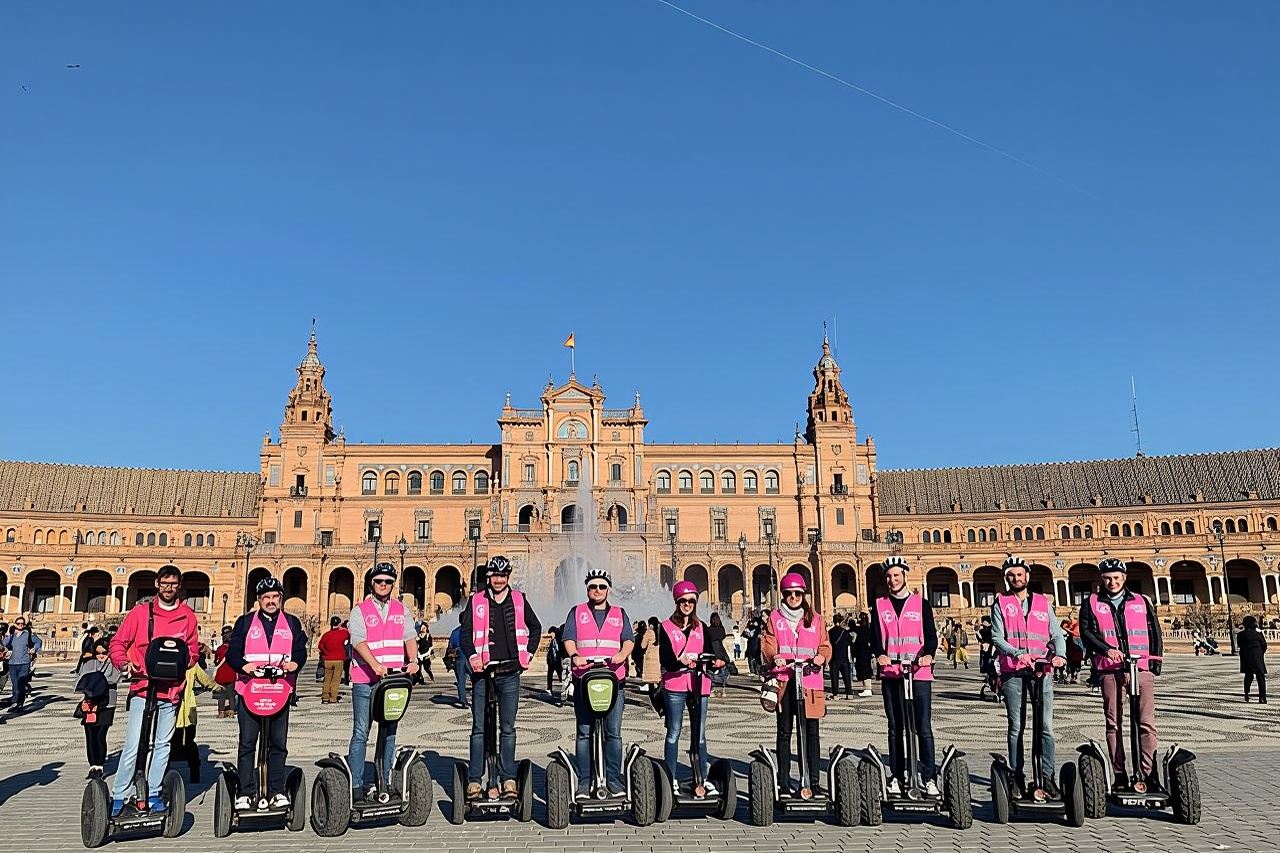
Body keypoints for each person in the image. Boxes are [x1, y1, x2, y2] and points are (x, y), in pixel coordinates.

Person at [107, 566, 199, 815]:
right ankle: (120, 793)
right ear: (157, 584)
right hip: (142, 685)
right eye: (165, 583)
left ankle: (154, 790)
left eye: (174, 584)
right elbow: (117, 643)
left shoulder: (188, 616)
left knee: (163, 744)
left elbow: (193, 650)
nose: (169, 588)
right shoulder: (140, 613)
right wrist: (124, 663)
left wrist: (184, 662)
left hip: (171, 690)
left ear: (179, 586)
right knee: (134, 742)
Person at [459, 555, 542, 800]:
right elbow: (465, 634)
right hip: (482, 674)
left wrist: (528, 652)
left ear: (508, 577)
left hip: (509, 672)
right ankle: (475, 779)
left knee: (508, 728)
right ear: (488, 577)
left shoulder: (519, 599)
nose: (498, 580)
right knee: (478, 728)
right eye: (495, 575)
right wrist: (473, 656)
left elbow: (535, 627)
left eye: (503, 575)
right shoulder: (476, 601)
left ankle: (507, 778)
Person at [1078, 558, 1164, 792]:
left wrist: (1155, 663)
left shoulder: (1141, 601)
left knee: (1146, 723)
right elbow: (1086, 632)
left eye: (1116, 578)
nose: (1112, 582)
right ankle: (1119, 773)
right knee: (1113, 723)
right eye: (1107, 578)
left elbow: (1154, 631)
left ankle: (1149, 772)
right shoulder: (1091, 603)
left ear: (1124, 578)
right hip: (1110, 669)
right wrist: (1106, 650)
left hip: (1141, 668)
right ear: (1101, 580)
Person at [226, 575, 308, 807]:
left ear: (281, 599)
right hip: (249, 690)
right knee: (247, 743)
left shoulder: (292, 623)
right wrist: (245, 666)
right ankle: (245, 791)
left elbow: (300, 649)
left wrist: (296, 664)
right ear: (259, 600)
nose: (271, 601)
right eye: (266, 597)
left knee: (278, 744)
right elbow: (233, 653)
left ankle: (276, 790)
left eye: (275, 597)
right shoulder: (244, 623)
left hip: (279, 691)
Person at [990, 556, 1067, 797]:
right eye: (1011, 575)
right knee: (1016, 726)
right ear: (1007, 578)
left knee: (1045, 726)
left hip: (1041, 671)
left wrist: (1061, 656)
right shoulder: (1000, 603)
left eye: (1019, 574)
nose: (1015, 578)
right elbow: (996, 637)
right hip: (1014, 671)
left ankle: (1047, 776)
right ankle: (1017, 775)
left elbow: (1057, 635)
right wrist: (1017, 653)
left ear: (1027, 577)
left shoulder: (1044, 603)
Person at [561, 567, 635, 798]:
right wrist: (575, 655)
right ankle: (584, 780)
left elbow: (629, 640)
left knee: (613, 732)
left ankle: (613, 779)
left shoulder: (620, 613)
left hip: (614, 679)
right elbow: (569, 639)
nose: (597, 590)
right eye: (593, 586)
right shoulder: (577, 611)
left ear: (608, 589)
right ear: (587, 589)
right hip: (585, 678)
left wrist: (622, 655)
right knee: (584, 731)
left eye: (602, 586)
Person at [347, 563, 419, 800]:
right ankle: (356, 785)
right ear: (371, 583)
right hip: (365, 679)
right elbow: (358, 641)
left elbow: (409, 636)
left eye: (388, 582)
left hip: (393, 680)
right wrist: (375, 664)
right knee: (361, 732)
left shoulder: (401, 610)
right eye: (379, 581)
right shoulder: (360, 610)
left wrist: (413, 660)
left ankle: (384, 781)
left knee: (389, 732)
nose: (383, 585)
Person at [870, 556, 939, 796]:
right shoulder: (879, 605)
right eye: (889, 576)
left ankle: (929, 777)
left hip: (919, 673)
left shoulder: (922, 604)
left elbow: (930, 635)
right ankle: (897, 776)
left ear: (905, 576)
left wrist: (929, 654)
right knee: (895, 726)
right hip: (891, 673)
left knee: (923, 727)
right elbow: (876, 636)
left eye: (896, 575)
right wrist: (880, 653)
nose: (892, 580)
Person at [760, 572, 831, 794]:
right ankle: (783, 781)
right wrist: (774, 656)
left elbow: (825, 645)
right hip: (785, 680)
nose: (793, 597)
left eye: (797, 593)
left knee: (811, 732)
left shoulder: (816, 619)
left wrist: (822, 656)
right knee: (784, 731)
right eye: (789, 593)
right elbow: (768, 643)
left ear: (803, 594)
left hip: (810, 682)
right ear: (783, 595)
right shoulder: (775, 618)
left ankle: (812, 781)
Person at [658, 581, 727, 794]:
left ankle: (702, 777)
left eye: (691, 601)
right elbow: (666, 659)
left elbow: (709, 651)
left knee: (701, 734)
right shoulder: (666, 626)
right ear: (677, 602)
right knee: (674, 732)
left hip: (700, 684)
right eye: (683, 601)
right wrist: (681, 662)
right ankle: (671, 777)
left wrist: (716, 661)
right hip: (675, 685)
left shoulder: (701, 627)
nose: (687, 604)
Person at [76, 637, 122, 779]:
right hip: (91, 704)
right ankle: (92, 765)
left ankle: (100, 765)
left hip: (107, 703)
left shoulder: (114, 664)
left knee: (100, 735)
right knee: (90, 735)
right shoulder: (89, 663)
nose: (101, 656)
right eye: (98, 653)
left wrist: (95, 680)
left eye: (104, 652)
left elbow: (113, 679)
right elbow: (80, 680)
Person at [172, 649, 216, 783]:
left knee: (166, 742)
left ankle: (161, 775)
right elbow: (206, 681)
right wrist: (216, 686)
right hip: (187, 710)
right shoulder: (192, 664)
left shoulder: (166, 658)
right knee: (190, 742)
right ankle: (194, 774)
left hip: (169, 708)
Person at [2, 615, 41, 711]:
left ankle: (20, 704)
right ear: (15, 624)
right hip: (12, 663)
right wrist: (8, 635)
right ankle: (15, 702)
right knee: (15, 684)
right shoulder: (11, 634)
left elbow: (38, 642)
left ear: (24, 625)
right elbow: (3, 644)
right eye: (18, 623)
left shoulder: (28, 634)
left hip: (24, 662)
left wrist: (34, 649)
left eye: (22, 624)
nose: (20, 625)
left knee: (21, 683)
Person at [318, 616, 350, 704]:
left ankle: (325, 697)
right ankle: (333, 698)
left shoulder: (326, 635)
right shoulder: (343, 633)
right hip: (339, 659)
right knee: (336, 679)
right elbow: (348, 635)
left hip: (328, 659)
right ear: (339, 624)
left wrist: (326, 652)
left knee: (327, 679)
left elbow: (320, 645)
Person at [1239, 615, 1268, 703]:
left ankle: (1246, 693)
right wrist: (1260, 653)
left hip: (1246, 658)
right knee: (1261, 678)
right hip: (1257, 658)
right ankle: (1262, 698)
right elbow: (1264, 645)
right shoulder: (1258, 634)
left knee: (1248, 676)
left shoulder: (1241, 635)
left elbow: (1239, 645)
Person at [828, 613, 854, 699]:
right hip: (844, 657)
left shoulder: (830, 632)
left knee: (834, 677)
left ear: (833, 621)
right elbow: (851, 642)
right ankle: (849, 693)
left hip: (834, 657)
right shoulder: (845, 632)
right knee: (846, 677)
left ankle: (835, 694)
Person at [706, 612, 731, 698]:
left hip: (712, 654)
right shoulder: (722, 630)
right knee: (722, 672)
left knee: (710, 673)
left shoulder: (708, 630)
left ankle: (711, 689)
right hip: (722, 654)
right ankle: (722, 689)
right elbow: (722, 638)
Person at [852, 611, 874, 697]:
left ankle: (867, 689)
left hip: (861, 653)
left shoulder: (859, 630)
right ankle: (867, 688)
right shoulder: (869, 629)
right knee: (866, 669)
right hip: (867, 653)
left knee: (864, 670)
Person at [446, 624, 468, 708]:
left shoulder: (455, 631)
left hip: (458, 655)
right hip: (469, 654)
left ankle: (463, 701)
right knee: (477, 679)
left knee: (461, 680)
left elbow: (450, 645)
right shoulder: (470, 629)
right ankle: (478, 699)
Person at [640, 616, 662, 694]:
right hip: (659, 658)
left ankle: (653, 699)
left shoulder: (649, 632)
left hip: (650, 659)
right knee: (658, 680)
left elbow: (643, 645)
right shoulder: (661, 632)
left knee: (651, 684)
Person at [545, 625, 565, 700]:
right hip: (551, 661)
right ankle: (549, 689)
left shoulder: (559, 639)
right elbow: (550, 651)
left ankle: (564, 689)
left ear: (554, 632)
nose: (550, 636)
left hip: (558, 661)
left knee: (561, 675)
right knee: (549, 675)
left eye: (551, 634)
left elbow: (561, 650)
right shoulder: (552, 641)